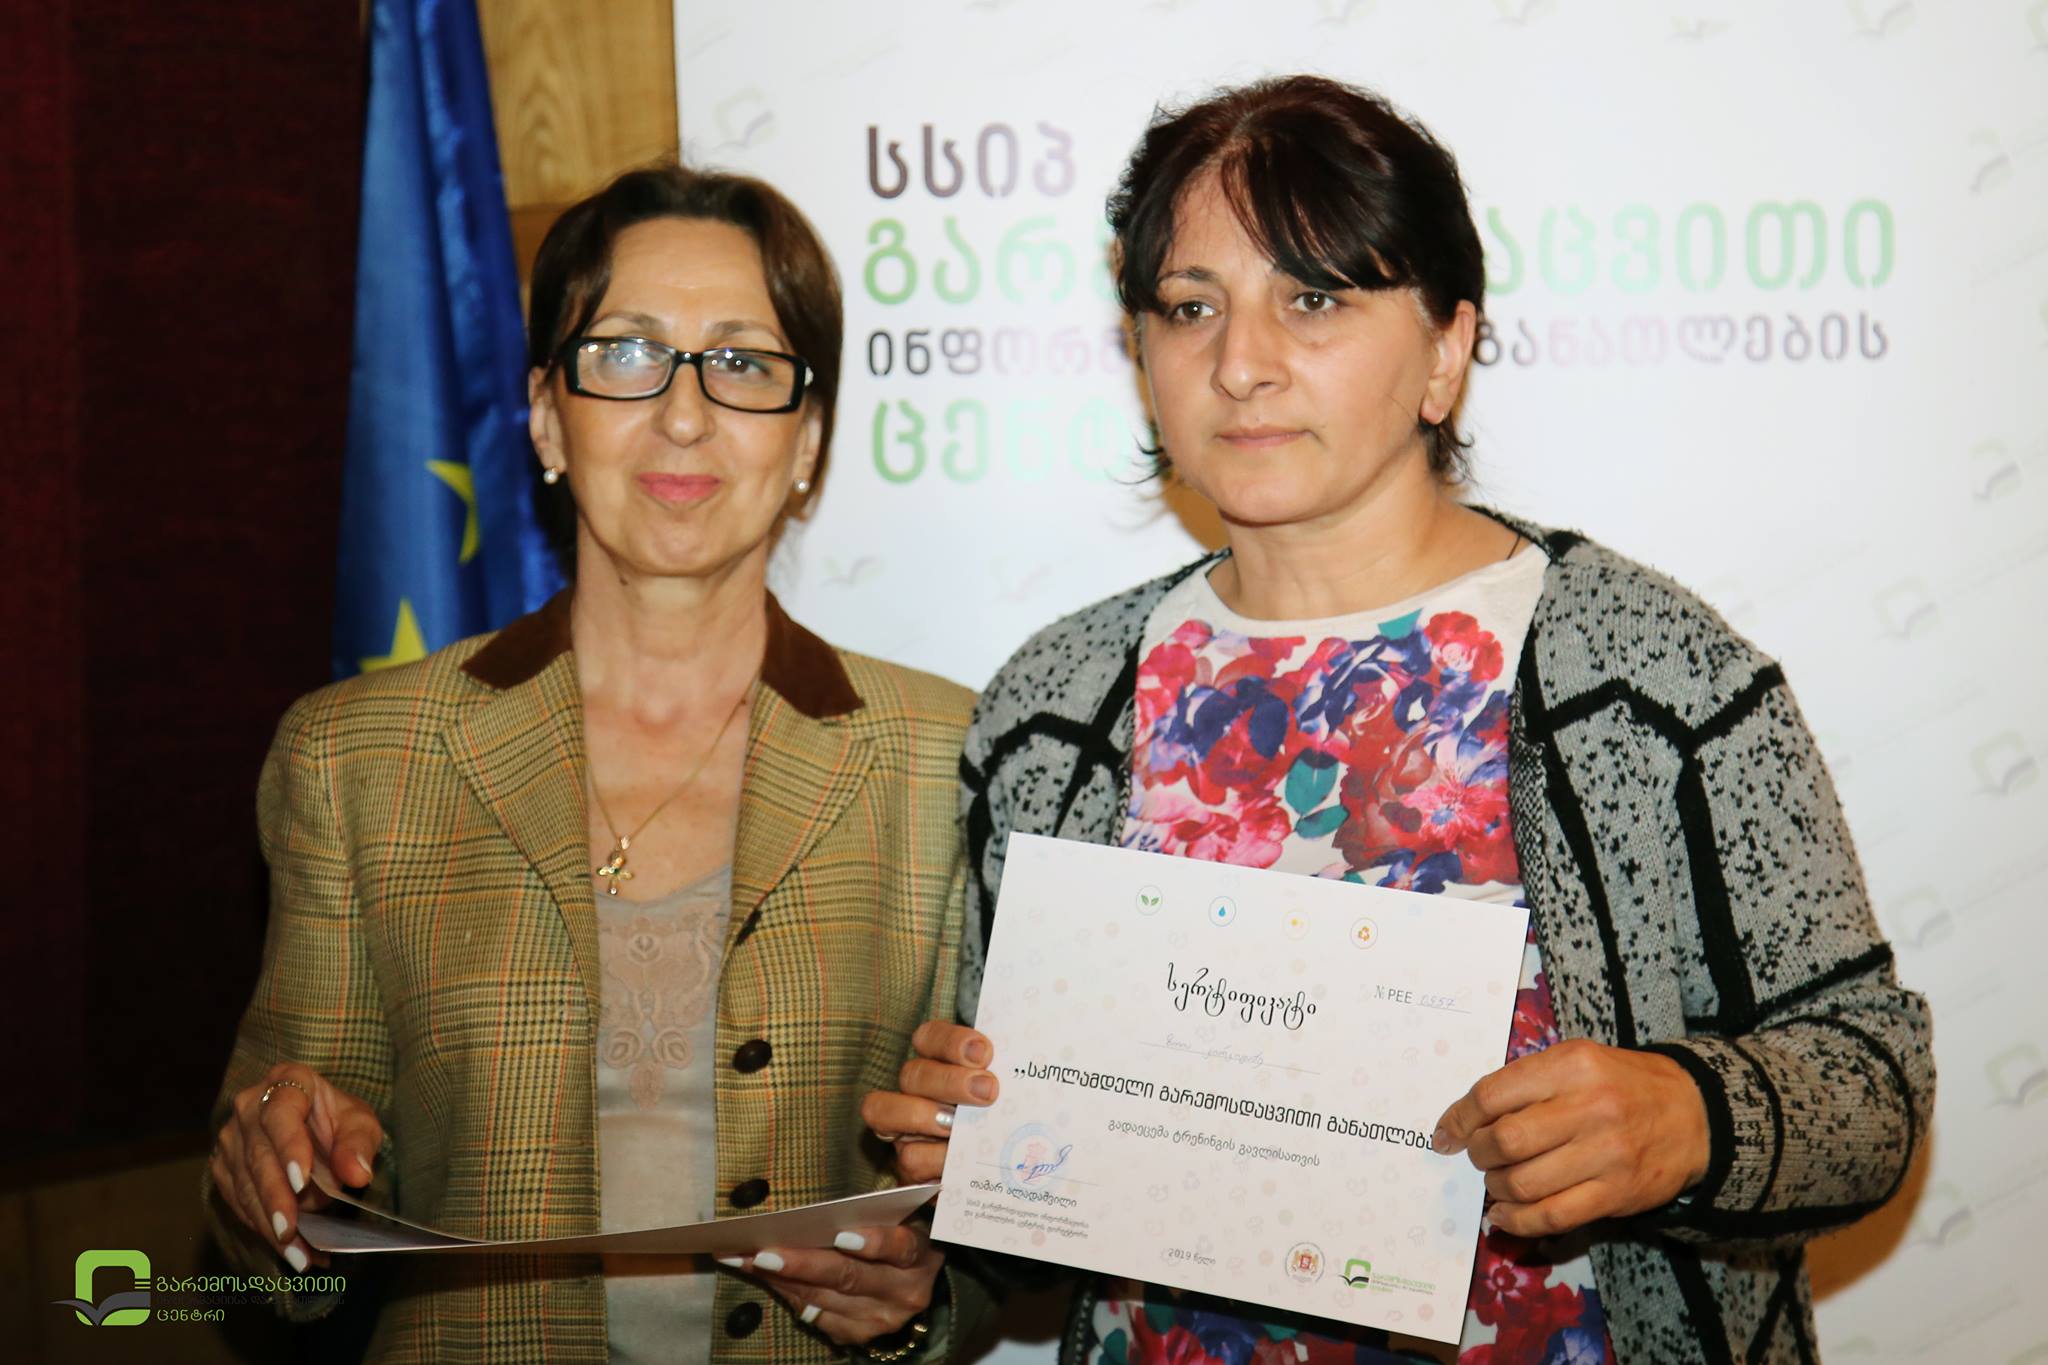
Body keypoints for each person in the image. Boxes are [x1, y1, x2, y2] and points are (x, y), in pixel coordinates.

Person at [863, 76, 1933, 1365]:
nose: (1239, 363)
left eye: (1312, 299)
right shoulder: (1056, 707)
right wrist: (972, 1168)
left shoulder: (1644, 673)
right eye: (1189, 307)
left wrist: (1690, 1117)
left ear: (1444, 349)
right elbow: (1038, 1229)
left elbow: (1873, 1084)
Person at [206, 164, 986, 1364]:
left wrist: (922, 1301)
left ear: (808, 438)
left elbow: (993, 1221)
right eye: (625, 353)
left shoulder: (945, 758)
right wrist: (280, 1183)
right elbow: (273, 1241)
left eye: (742, 363)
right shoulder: (356, 757)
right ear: (543, 414)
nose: (683, 415)